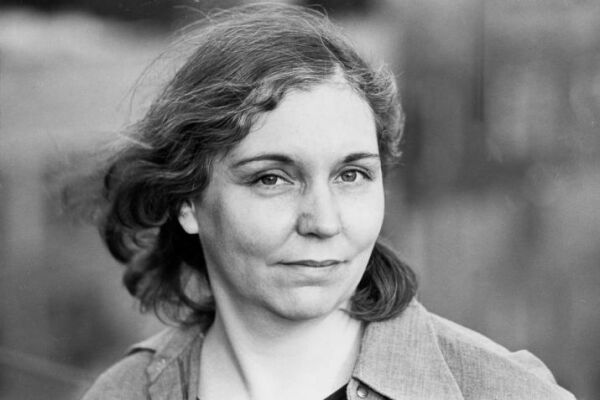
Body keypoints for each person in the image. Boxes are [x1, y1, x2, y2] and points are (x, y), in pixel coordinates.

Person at [78, 4, 575, 400]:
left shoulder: (503, 390)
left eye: (351, 175)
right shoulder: (122, 393)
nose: (324, 221)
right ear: (187, 200)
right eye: (272, 179)